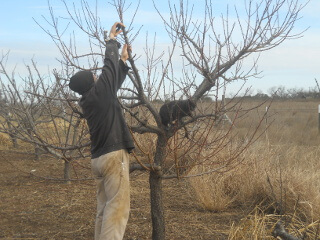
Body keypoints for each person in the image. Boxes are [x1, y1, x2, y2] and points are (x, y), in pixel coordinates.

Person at [69, 22, 135, 240]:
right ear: (92, 82)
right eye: (94, 77)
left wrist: (123, 61)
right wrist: (111, 41)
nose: (98, 76)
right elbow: (108, 69)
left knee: (104, 209)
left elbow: (111, 81)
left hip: (99, 159)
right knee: (117, 210)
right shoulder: (98, 95)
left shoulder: (90, 100)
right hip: (112, 157)